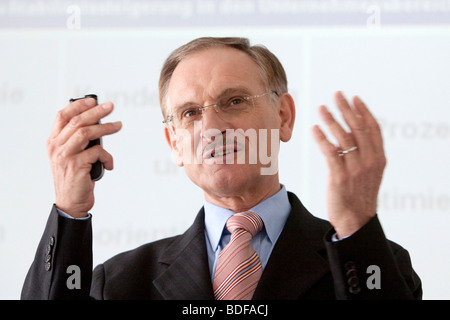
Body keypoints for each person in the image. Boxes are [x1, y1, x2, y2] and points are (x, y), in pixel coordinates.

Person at [21, 37, 422, 300]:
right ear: (174, 144)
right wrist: (69, 214)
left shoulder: (367, 262)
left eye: (234, 101)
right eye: (190, 113)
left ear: (283, 116)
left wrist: (355, 224)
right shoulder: (121, 284)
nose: (211, 129)